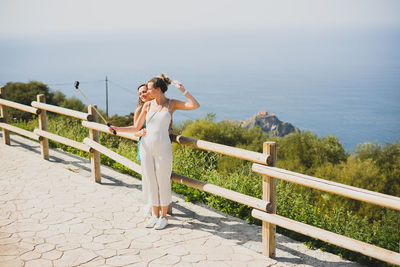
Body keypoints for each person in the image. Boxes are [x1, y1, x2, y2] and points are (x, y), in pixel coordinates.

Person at [110, 74, 200, 230]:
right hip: (146, 147)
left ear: (158, 89)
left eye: (149, 89)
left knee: (163, 180)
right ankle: (154, 215)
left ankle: (164, 217)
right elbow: (136, 128)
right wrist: (118, 129)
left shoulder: (172, 104)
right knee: (150, 180)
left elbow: (194, 105)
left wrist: (183, 90)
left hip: (163, 148)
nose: (147, 92)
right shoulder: (147, 105)